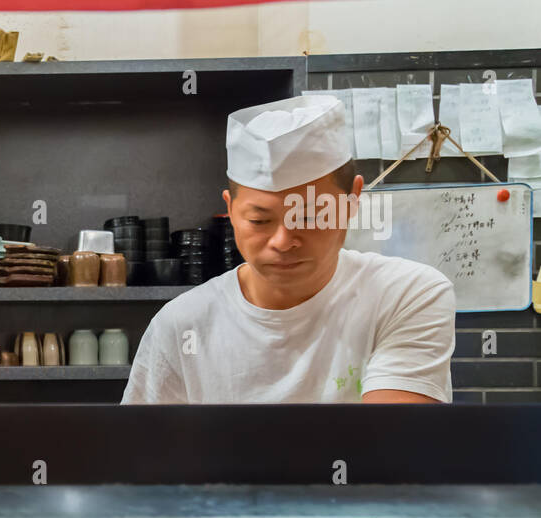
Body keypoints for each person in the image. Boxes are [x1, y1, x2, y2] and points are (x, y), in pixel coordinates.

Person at [122, 94, 455, 405]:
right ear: (231, 210)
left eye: (309, 217)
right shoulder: (181, 325)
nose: (282, 241)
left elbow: (389, 447)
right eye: (259, 220)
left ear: (353, 200)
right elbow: (143, 458)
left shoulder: (404, 295)